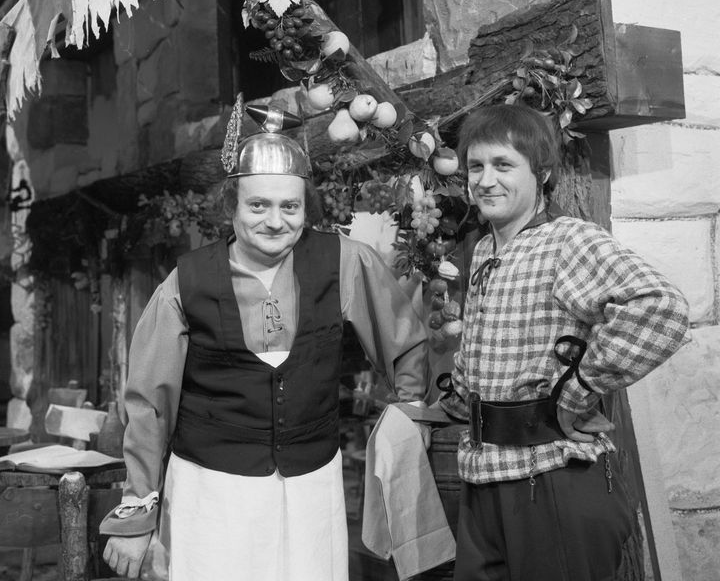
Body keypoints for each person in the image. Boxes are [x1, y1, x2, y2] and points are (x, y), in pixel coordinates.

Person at [100, 118, 428, 581]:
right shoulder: (185, 284)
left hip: (312, 488)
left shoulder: (346, 261)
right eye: (258, 205)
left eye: (289, 206)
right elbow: (149, 404)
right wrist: (137, 514)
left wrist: (411, 412)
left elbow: (405, 342)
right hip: (211, 495)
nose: (276, 221)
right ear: (231, 205)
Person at [438, 104, 691, 581]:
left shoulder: (568, 241)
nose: (485, 179)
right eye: (476, 166)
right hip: (485, 475)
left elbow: (662, 308)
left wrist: (575, 392)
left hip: (551, 476)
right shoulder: (487, 247)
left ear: (543, 173)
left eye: (503, 165)